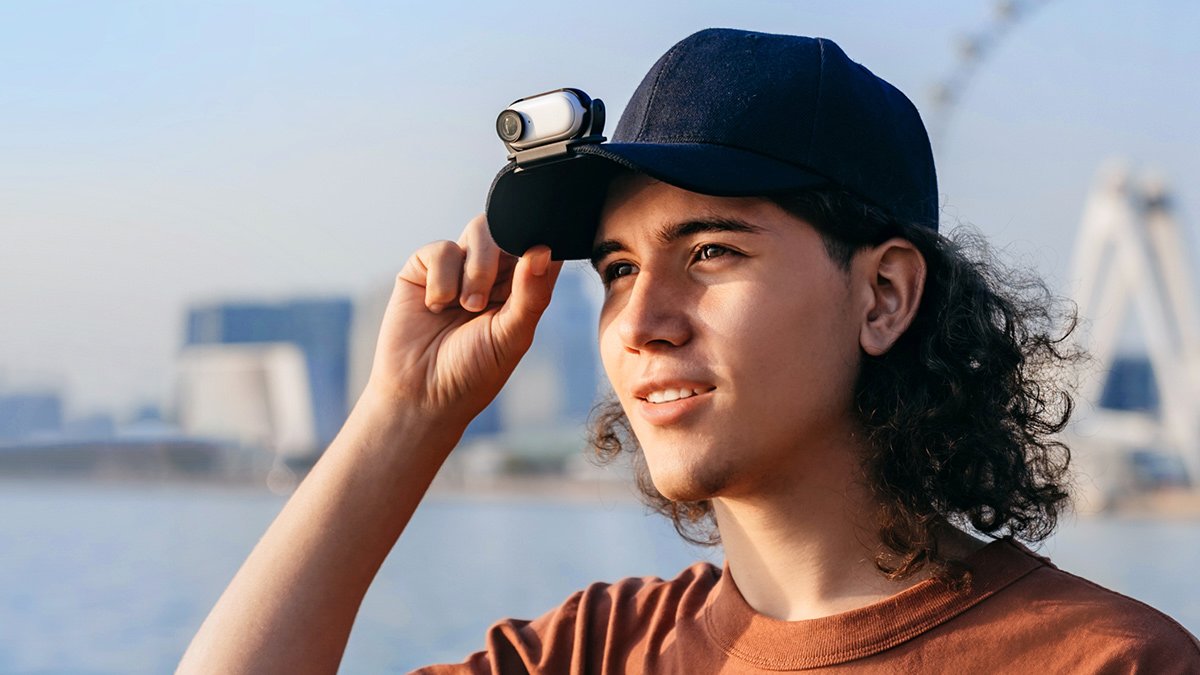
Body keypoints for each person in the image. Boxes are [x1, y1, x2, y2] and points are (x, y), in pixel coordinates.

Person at [178, 28, 1200, 674]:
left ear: (883, 294)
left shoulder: (1102, 662)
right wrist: (403, 415)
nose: (641, 320)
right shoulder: (590, 653)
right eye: (617, 269)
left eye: (709, 250)